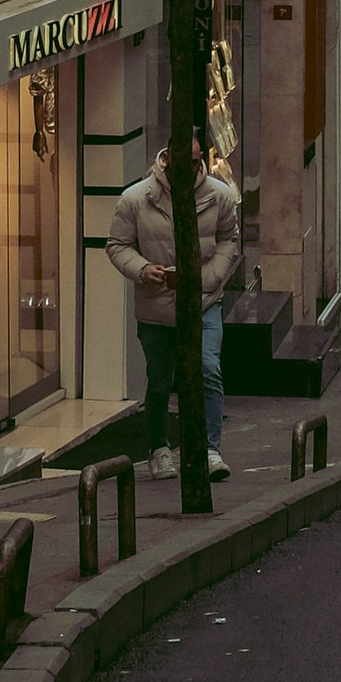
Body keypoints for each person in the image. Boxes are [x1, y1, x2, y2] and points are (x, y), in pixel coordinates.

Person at [109, 131, 241, 477]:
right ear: (166, 157)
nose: (189, 168)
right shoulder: (136, 199)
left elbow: (229, 239)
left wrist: (209, 278)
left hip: (204, 301)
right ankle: (159, 448)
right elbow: (117, 245)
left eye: (195, 161)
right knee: (160, 381)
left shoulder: (219, 196)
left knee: (208, 369)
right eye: (183, 160)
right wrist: (143, 270)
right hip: (157, 306)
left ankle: (211, 449)